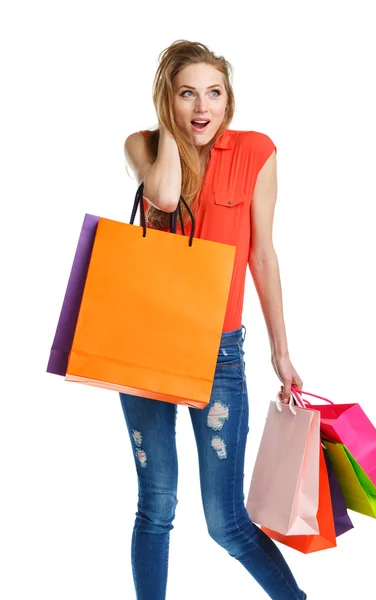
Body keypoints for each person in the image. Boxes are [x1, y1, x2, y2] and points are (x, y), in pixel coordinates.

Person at [121, 39, 307, 600]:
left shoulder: (256, 151)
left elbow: (262, 253)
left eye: (214, 93)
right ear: (167, 101)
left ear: (229, 99)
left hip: (219, 351)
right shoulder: (144, 145)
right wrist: (172, 136)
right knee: (155, 507)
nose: (203, 107)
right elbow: (165, 194)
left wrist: (281, 350)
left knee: (226, 522)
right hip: (146, 350)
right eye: (187, 94)